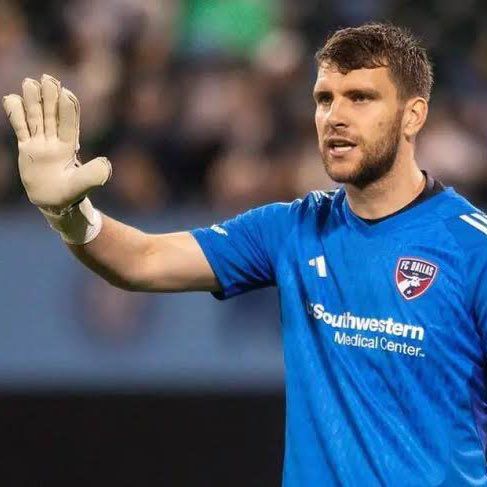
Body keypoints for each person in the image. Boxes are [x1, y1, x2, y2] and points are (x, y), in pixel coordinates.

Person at [3, 22, 487, 486]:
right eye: (324, 99)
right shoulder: (291, 229)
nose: (335, 116)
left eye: (360, 97)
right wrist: (69, 213)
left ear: (413, 115)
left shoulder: (472, 249)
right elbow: (142, 261)